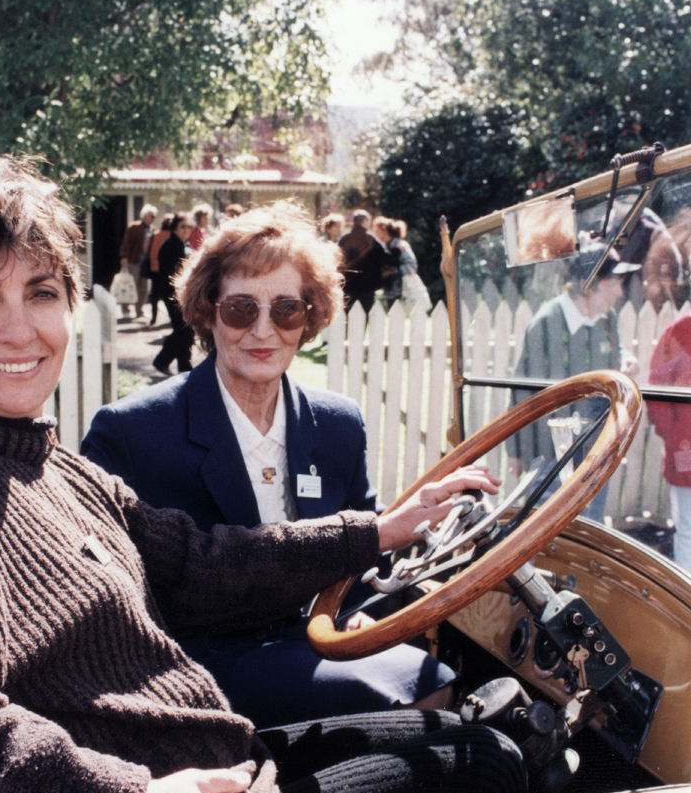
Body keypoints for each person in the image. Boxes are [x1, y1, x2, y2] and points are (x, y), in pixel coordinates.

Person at [0, 156, 525, 793]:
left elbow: (197, 563)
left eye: (42, 293)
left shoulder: (49, 466)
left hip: (207, 771)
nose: (19, 329)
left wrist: (378, 533)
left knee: (480, 735)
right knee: (496, 764)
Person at [82, 203, 457, 726]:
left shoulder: (338, 425)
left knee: (433, 678)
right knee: (427, 688)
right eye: (241, 309)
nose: (263, 330)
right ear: (208, 310)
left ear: (309, 317)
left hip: (313, 644)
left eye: (286, 309)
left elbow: (365, 571)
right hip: (191, 668)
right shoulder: (131, 432)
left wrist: (363, 614)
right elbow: (113, 605)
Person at [507, 236, 640, 522]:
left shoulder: (607, 318)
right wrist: (516, 451)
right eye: (614, 284)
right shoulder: (548, 322)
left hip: (596, 443)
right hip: (553, 448)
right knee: (547, 526)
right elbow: (522, 389)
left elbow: (613, 350)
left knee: (589, 524)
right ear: (589, 286)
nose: (620, 292)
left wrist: (624, 358)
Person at [648, 314, 691, 570]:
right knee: (688, 529)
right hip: (687, 452)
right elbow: (657, 389)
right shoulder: (679, 332)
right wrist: (674, 435)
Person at [153, 213, 194, 374]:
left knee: (185, 329)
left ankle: (180, 366)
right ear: (175, 228)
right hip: (172, 293)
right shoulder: (170, 246)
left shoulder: (183, 245)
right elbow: (173, 273)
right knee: (184, 329)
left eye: (189, 227)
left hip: (182, 293)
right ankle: (170, 363)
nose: (186, 230)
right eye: (182, 227)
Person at [373, 216, 431, 311]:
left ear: (384, 231)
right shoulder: (385, 246)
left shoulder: (400, 245)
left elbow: (412, 265)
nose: (375, 233)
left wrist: (393, 271)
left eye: (377, 230)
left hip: (402, 291)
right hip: (391, 290)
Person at [338, 210, 388, 314]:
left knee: (346, 316)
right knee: (363, 316)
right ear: (364, 221)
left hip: (347, 285)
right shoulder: (370, 239)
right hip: (367, 286)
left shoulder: (344, 239)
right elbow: (383, 259)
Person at [119, 203, 156, 320]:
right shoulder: (134, 227)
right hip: (133, 261)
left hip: (145, 263)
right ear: (144, 215)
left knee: (143, 287)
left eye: (154, 216)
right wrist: (124, 256)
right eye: (151, 216)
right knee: (129, 285)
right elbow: (126, 243)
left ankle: (139, 310)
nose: (152, 218)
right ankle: (125, 309)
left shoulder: (153, 230)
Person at [146, 213, 174, 326]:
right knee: (170, 295)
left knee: (155, 295)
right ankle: (172, 318)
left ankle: (153, 318)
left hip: (154, 269)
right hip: (169, 271)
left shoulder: (154, 235)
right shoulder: (173, 237)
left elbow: (146, 249)